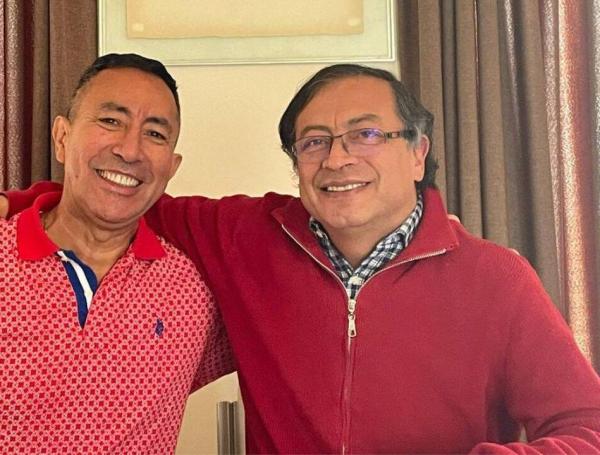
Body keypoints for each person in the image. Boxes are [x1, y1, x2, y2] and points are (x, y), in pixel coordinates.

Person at [4, 64, 600, 453]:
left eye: (367, 134)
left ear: (418, 152)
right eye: (314, 142)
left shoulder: (494, 279)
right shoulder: (248, 239)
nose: (337, 159)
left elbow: (587, 426)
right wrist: (21, 204)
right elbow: (117, 195)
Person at [0, 54, 233, 453]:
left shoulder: (195, 288)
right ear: (62, 138)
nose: (130, 150)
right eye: (111, 120)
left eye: (155, 133)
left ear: (172, 166)